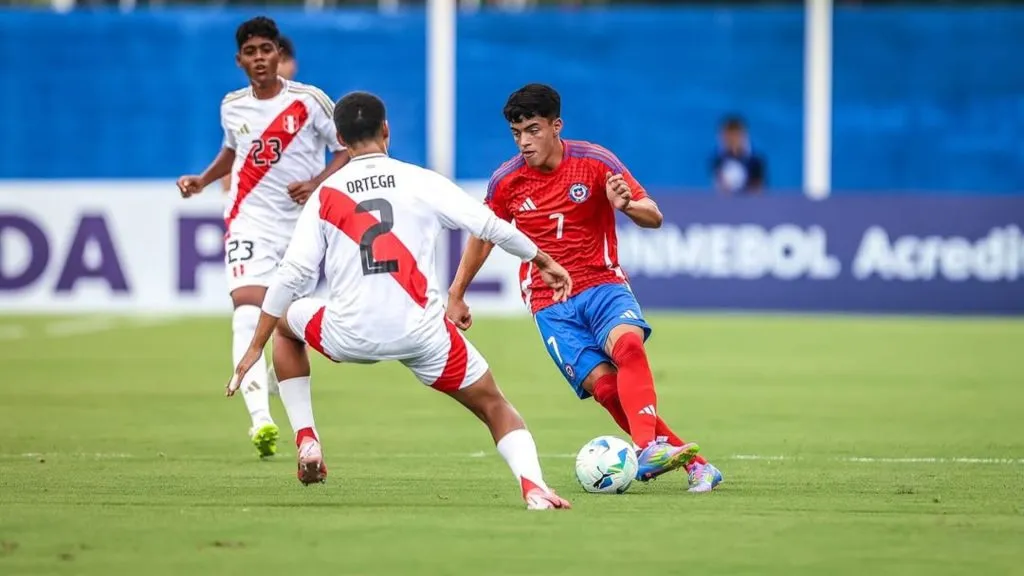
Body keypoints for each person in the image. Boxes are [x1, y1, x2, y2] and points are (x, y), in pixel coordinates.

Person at [227, 91, 574, 511]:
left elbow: (293, 275)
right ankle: (533, 487)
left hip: (347, 333)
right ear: (386, 130)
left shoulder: (326, 194)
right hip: (422, 336)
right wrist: (542, 260)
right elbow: (490, 226)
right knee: (494, 405)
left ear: (339, 137)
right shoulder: (420, 180)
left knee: (287, 325)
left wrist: (254, 345)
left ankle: (307, 440)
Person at [447, 83, 723, 493]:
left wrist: (626, 205)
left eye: (533, 130)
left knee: (628, 347)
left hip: (602, 283)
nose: (524, 142)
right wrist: (456, 293)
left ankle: (646, 446)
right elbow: (484, 237)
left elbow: (654, 216)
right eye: (517, 133)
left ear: (556, 126)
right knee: (608, 390)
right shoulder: (506, 182)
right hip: (548, 302)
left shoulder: (595, 162)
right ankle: (698, 466)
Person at [177, 17, 350, 459]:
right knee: (248, 309)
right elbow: (233, 152)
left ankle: (277, 390)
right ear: (240, 60)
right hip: (248, 220)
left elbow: (347, 148)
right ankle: (261, 419)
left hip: (302, 226)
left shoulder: (310, 101)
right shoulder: (232, 106)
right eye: (250, 51)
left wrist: (317, 181)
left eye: (266, 49)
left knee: (285, 323)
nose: (259, 58)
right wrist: (203, 179)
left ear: (278, 55)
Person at [221, 35, 299, 195]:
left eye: (282, 60)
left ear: (293, 65)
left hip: (297, 204)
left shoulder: (309, 106)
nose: (277, 67)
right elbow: (231, 162)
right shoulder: (244, 109)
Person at [711, 115, 766, 195]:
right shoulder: (717, 160)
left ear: (743, 136)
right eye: (728, 137)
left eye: (735, 136)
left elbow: (759, 189)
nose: (732, 140)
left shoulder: (755, 162)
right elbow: (720, 187)